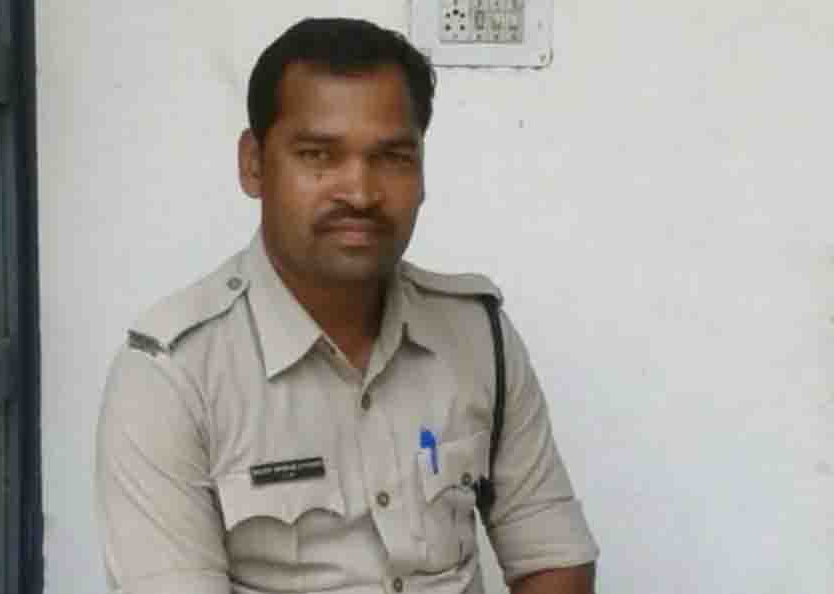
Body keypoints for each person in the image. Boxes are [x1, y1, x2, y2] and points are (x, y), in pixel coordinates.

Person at [96, 17, 599, 594]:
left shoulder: (476, 334)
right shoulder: (172, 376)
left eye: (392, 157)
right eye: (318, 154)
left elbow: (552, 556)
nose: (360, 193)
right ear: (254, 164)